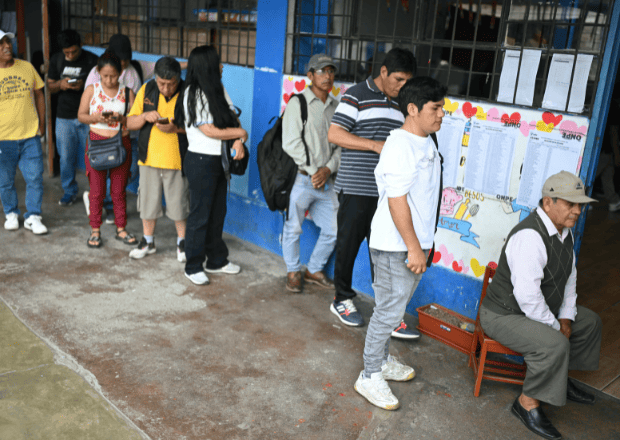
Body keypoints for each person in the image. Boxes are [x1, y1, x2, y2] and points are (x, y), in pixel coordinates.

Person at [480, 171, 603, 440]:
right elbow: (528, 298)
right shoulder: (530, 237)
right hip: (503, 314)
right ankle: (526, 403)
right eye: (570, 204)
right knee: (555, 343)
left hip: (537, 309)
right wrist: (556, 327)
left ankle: (558, 378)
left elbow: (570, 279)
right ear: (548, 202)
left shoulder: (565, 233)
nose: (577, 211)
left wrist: (566, 319)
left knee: (589, 322)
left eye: (580, 205)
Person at [354, 77, 446, 410]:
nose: (441, 114)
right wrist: (414, 247)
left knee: (390, 308)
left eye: (442, 108)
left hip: (412, 243)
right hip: (397, 244)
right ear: (413, 109)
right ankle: (369, 374)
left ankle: (380, 360)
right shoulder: (400, 146)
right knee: (389, 312)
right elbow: (397, 201)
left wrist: (423, 243)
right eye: (435, 108)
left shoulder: (426, 140)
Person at [327, 48, 418, 338]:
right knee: (348, 246)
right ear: (383, 72)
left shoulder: (404, 103)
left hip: (388, 194)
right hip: (356, 187)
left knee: (385, 254)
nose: (402, 86)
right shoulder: (356, 95)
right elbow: (334, 134)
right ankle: (341, 299)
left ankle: (388, 314)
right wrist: (373, 145)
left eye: (407, 81)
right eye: (398, 79)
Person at [181, 45, 246, 285]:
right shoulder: (193, 93)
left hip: (220, 160)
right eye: (218, 62)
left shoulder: (218, 88)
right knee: (200, 215)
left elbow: (233, 118)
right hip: (200, 161)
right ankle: (193, 265)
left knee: (218, 213)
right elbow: (208, 130)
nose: (222, 66)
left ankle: (216, 260)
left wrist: (238, 139)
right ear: (207, 66)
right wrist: (240, 133)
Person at [282, 53, 340, 293]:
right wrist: (315, 171)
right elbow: (291, 142)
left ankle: (314, 269)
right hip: (303, 178)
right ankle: (293, 271)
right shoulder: (298, 103)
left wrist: (327, 170)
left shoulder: (337, 107)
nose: (327, 76)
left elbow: (341, 146)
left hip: (327, 181)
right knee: (293, 227)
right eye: (321, 71)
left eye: (331, 71)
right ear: (310, 76)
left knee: (334, 229)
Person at [126, 57, 189, 262]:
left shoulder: (188, 92)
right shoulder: (147, 90)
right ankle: (148, 241)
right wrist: (144, 117)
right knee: (148, 204)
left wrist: (175, 128)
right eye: (162, 83)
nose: (166, 88)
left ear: (179, 79)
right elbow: (130, 122)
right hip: (149, 159)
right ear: (155, 78)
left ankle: (182, 243)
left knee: (179, 204)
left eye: (171, 84)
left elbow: (198, 127)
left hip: (177, 160)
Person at [77, 51, 137, 248]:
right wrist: (96, 118)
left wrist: (122, 119)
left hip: (121, 144)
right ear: (98, 72)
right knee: (97, 191)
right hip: (96, 144)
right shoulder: (91, 90)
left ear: (120, 73)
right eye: (105, 76)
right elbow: (81, 115)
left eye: (113, 76)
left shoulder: (128, 92)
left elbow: (136, 120)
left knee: (119, 191)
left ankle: (121, 228)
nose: (109, 80)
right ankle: (95, 230)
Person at [84, 34, 142, 224]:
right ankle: (103, 209)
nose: (123, 64)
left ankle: (106, 206)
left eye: (126, 60)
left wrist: (125, 118)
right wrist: (97, 117)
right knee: (101, 177)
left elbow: (134, 111)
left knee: (128, 174)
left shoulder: (133, 74)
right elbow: (86, 109)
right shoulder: (95, 75)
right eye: (120, 60)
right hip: (100, 137)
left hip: (126, 136)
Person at [0, 29, 47, 234]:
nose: (7, 46)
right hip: (3, 139)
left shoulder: (27, 67)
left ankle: (33, 216)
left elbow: (39, 94)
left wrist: (42, 124)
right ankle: (11, 213)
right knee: (5, 181)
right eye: (1, 44)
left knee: (35, 177)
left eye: (7, 41)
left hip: (29, 136)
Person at [47, 29, 98, 206]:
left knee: (94, 156)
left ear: (81, 46)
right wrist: (60, 84)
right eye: (66, 52)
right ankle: (69, 191)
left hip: (89, 116)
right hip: (64, 117)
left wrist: (85, 86)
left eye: (73, 51)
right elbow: (50, 86)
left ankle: (96, 193)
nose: (69, 55)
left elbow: (102, 87)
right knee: (66, 158)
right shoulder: (57, 59)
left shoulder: (92, 60)